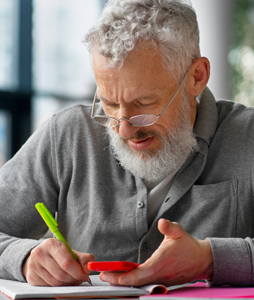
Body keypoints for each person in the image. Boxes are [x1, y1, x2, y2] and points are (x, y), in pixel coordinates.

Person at [0, 0, 254, 288]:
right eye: (108, 103)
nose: (124, 128)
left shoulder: (248, 136)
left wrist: (211, 259)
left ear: (197, 77)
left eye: (143, 104)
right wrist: (22, 257)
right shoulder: (68, 135)